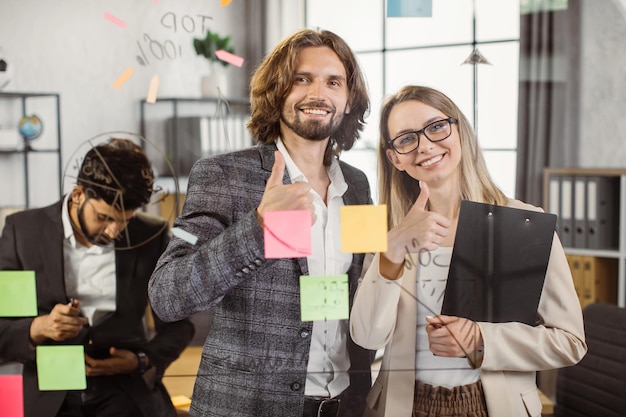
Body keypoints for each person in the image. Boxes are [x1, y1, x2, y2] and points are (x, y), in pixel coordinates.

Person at [148, 28, 373, 417]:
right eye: (302, 79)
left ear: (348, 98)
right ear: (277, 91)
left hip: (344, 404)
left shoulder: (356, 184)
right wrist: (258, 228)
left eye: (333, 82)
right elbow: (168, 297)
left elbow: (360, 293)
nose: (318, 93)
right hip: (249, 406)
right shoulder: (223, 175)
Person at [349, 85, 587, 417]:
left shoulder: (523, 224)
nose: (426, 145)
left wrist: (481, 338)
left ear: (460, 130)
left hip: (492, 407)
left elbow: (570, 342)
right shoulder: (390, 230)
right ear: (395, 158)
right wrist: (393, 250)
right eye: (406, 139)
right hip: (404, 406)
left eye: (436, 127)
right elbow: (366, 337)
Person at [0, 138, 194, 417]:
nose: (114, 231)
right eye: (104, 217)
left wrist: (140, 360)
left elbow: (179, 325)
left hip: (125, 391)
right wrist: (40, 327)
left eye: (125, 220)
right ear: (78, 194)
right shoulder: (24, 233)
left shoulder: (148, 238)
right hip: (50, 396)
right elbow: (3, 328)